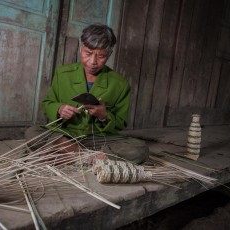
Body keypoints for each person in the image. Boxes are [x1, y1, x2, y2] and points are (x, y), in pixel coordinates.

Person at [25, 24, 149, 164]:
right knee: (33, 132)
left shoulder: (120, 84)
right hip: (66, 135)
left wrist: (104, 116)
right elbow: (49, 103)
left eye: (101, 56)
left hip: (99, 138)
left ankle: (69, 156)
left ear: (109, 54)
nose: (93, 62)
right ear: (80, 49)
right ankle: (88, 157)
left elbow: (120, 123)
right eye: (88, 53)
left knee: (140, 149)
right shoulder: (63, 74)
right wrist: (59, 109)